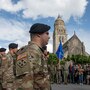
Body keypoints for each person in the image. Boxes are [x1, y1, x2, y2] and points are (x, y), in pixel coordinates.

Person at [15, 23, 51, 90]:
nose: (49, 37)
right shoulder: (29, 52)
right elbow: (25, 84)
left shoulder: (38, 52)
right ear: (38, 34)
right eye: (47, 33)